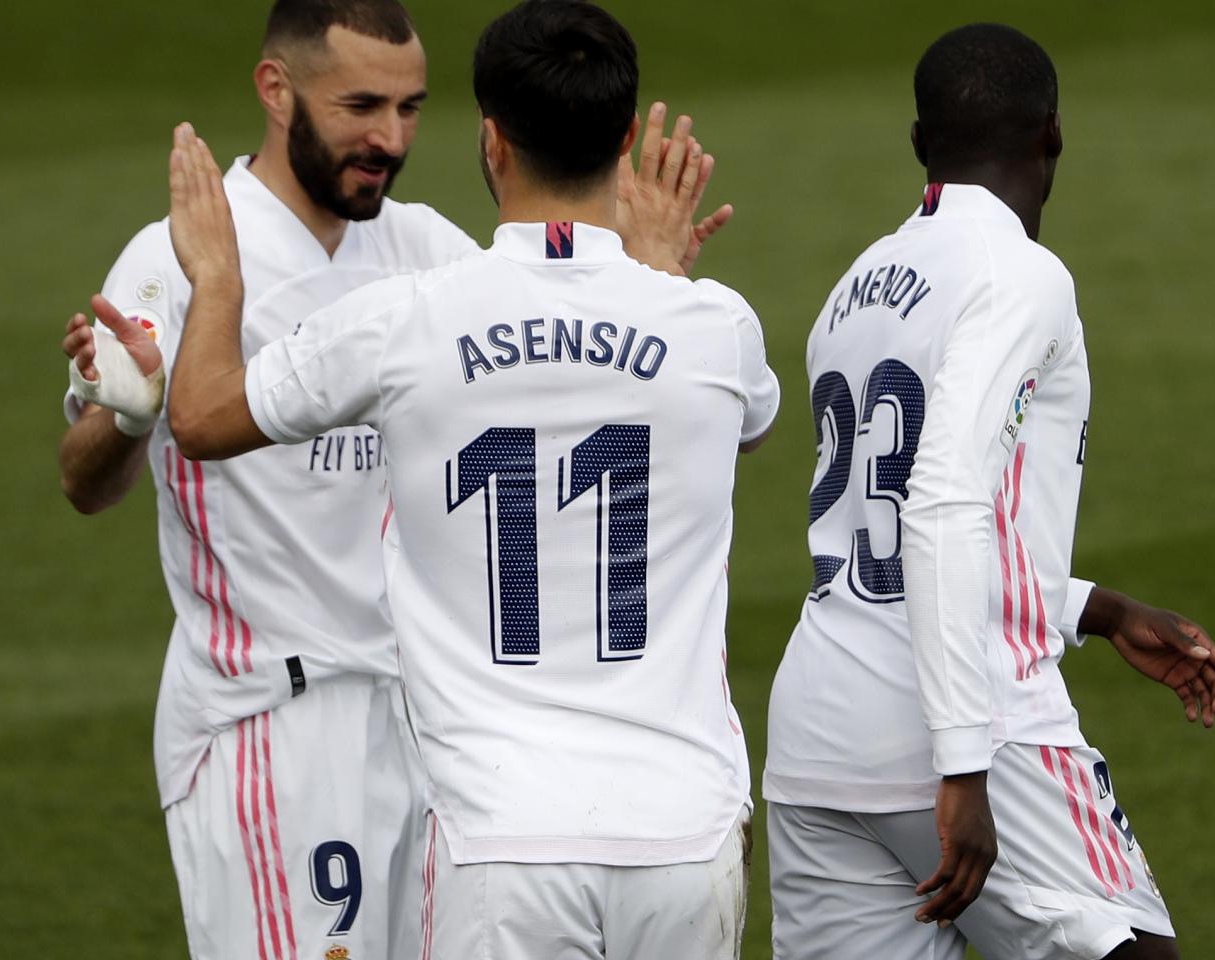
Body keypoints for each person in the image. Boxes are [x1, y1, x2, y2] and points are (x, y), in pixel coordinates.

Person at [155, 2, 776, 956]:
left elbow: (197, 418)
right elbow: (740, 418)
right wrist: (655, 278)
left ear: (491, 141)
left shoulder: (400, 321)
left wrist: (219, 278)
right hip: (685, 838)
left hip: (502, 843)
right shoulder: (718, 329)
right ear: (623, 141)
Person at [763, 22, 1215, 960]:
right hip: (967, 720)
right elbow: (939, 505)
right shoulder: (1021, 276)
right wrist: (961, 763)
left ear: (919, 146)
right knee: (1136, 950)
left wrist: (1095, 609)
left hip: (819, 732)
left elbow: (883, 530)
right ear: (1053, 135)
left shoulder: (855, 287)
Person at [57, 3, 479, 958]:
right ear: (275, 89)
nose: (391, 138)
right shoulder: (178, 252)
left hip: (424, 719)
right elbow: (86, 484)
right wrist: (126, 416)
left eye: (411, 108)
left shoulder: (426, 253)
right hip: (271, 727)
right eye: (362, 105)